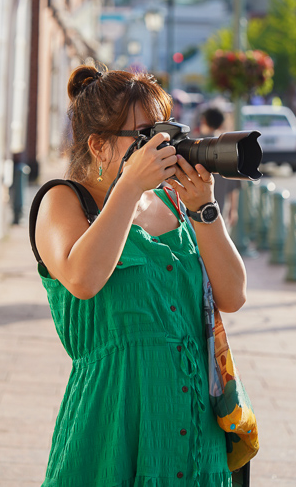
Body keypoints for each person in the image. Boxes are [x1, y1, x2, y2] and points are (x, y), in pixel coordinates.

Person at [31, 65, 247, 486]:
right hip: (113, 429)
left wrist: (204, 208)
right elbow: (82, 278)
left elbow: (234, 295)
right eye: (147, 137)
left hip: (194, 436)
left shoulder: (174, 202)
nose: (164, 147)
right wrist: (128, 188)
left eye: (167, 132)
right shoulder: (63, 201)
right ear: (99, 145)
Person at [199, 107, 240, 231]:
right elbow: (234, 186)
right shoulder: (228, 148)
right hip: (221, 210)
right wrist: (234, 210)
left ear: (204, 121)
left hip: (196, 212)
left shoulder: (196, 145)